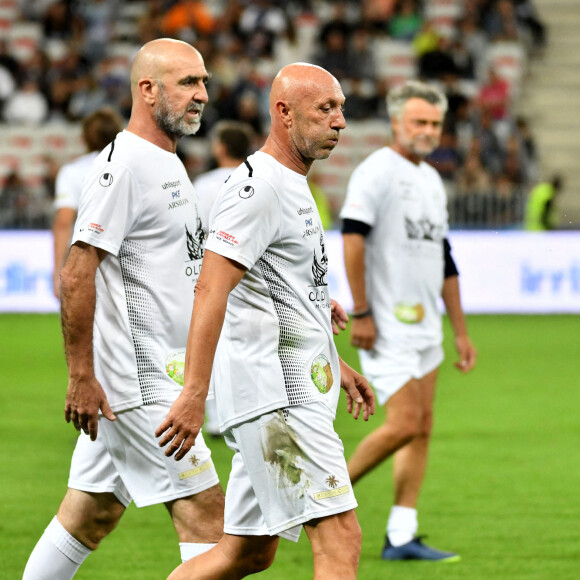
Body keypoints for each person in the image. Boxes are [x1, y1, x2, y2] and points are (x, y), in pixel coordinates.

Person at [157, 62, 375, 580]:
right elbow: (211, 287)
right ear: (283, 112)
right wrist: (193, 391)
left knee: (247, 553)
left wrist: (335, 361)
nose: (340, 121)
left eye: (341, 108)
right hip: (278, 398)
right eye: (325, 109)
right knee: (340, 537)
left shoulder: (293, 183)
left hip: (289, 389)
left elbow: (282, 296)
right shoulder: (258, 189)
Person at [23, 38, 225, 580]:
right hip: (137, 382)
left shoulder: (166, 159)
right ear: (147, 89)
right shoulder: (124, 166)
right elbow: (76, 268)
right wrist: (81, 374)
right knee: (207, 514)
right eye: (188, 83)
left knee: (90, 515)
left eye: (203, 82)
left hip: (145, 375)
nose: (201, 94)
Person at [339, 80, 477, 562]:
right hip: (386, 323)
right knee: (404, 424)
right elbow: (352, 239)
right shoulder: (376, 172)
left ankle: (401, 533)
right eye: (418, 121)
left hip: (425, 326)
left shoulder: (432, 180)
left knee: (422, 427)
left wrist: (459, 330)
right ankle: (323, 491)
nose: (427, 131)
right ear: (397, 121)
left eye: (435, 123)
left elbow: (445, 259)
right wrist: (361, 311)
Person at [192, 119, 255, 436]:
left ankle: (216, 414)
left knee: (211, 338)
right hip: (253, 272)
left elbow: (193, 229)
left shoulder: (203, 185)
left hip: (211, 269)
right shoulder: (258, 180)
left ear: (220, 147)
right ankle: (246, 408)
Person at [51, 107, 124, 299]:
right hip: (128, 257)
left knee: (85, 326)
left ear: (84, 138)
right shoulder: (133, 166)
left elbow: (63, 222)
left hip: (87, 258)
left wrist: (58, 269)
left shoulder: (72, 171)